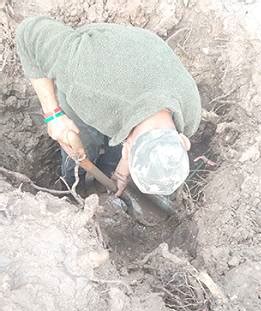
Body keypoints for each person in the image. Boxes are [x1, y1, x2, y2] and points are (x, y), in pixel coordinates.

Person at [16, 16, 201, 196]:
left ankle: (106, 171)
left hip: (137, 74)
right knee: (83, 145)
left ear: (184, 141)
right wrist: (53, 115)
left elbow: (141, 142)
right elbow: (28, 33)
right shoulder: (83, 75)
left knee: (112, 156)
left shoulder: (190, 114)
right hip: (94, 79)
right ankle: (71, 188)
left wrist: (121, 173)